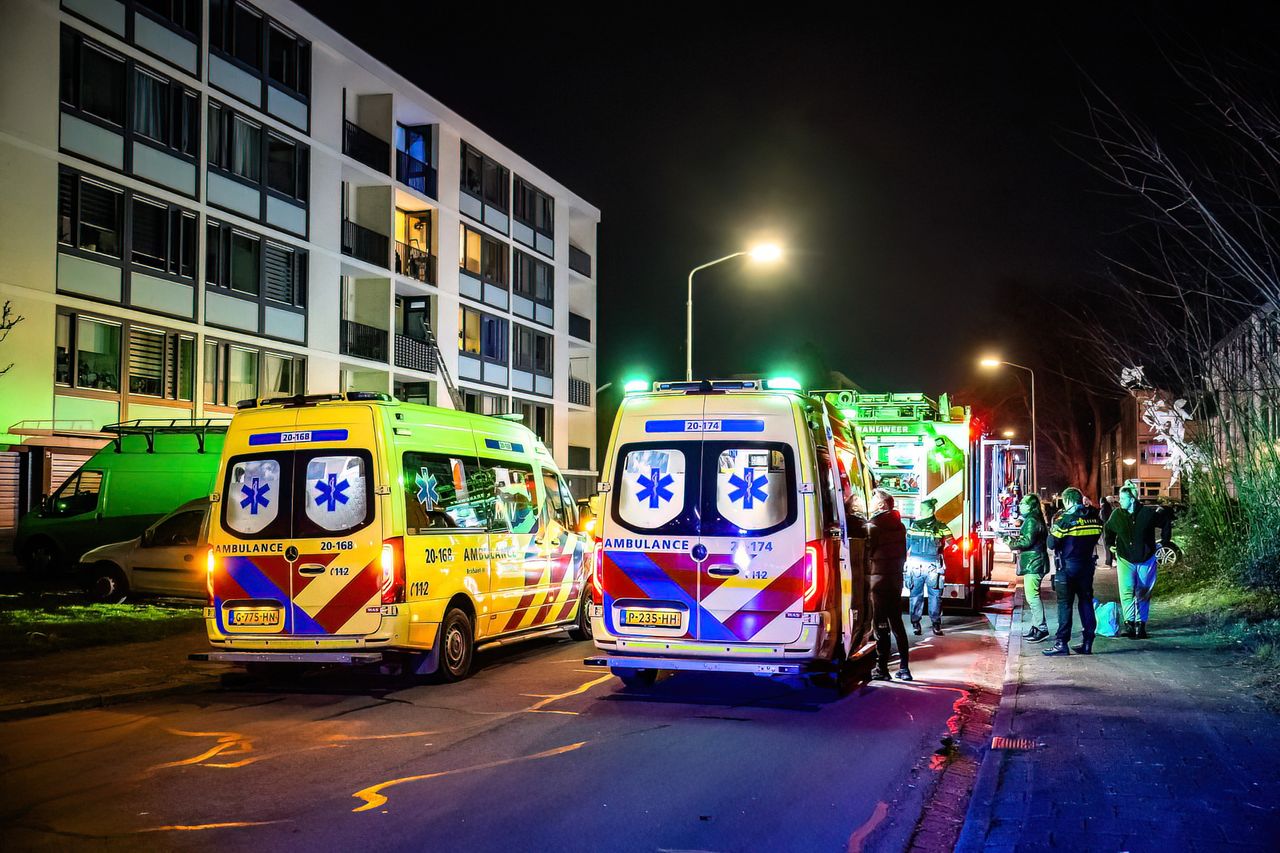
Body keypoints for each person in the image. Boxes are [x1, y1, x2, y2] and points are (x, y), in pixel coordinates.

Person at [1104, 485, 1173, 639]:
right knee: (1126, 591)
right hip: (1125, 558)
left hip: (1145, 559)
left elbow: (1165, 520)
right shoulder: (1117, 515)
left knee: (1143, 592)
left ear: (1132, 499)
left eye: (1123, 498)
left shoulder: (1147, 514)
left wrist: (1164, 542)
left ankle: (1141, 625)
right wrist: (1110, 545)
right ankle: (1129, 624)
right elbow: (1108, 530)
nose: (1120, 501)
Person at [1043, 487, 1104, 656]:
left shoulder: (1064, 520)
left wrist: (1054, 524)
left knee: (1065, 605)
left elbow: (1051, 543)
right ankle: (1087, 643)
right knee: (1086, 602)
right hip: (1087, 566)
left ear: (1068, 501)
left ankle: (1061, 643)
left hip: (1067, 568)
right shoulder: (1094, 519)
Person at [866, 488, 912, 681]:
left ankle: (882, 669)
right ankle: (904, 668)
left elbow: (868, 552)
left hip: (878, 581)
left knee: (880, 624)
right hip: (895, 580)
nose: (871, 502)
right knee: (897, 623)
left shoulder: (874, 525)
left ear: (882, 504)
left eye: (874, 499)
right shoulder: (900, 526)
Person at [1005, 494, 1050, 642]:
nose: (1020, 505)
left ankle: (1041, 628)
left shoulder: (1031, 520)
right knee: (1032, 596)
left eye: (1023, 503)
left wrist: (1007, 539)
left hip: (1034, 563)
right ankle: (1036, 626)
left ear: (1030, 506)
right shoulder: (1034, 519)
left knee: (1032, 597)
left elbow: (1026, 541)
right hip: (1035, 562)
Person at [906, 496, 953, 636]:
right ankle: (935, 625)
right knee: (933, 596)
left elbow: (907, 546)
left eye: (922, 509)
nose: (920, 511)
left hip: (919, 567)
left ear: (931, 510)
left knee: (917, 596)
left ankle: (917, 624)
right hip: (933, 567)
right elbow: (953, 545)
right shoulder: (941, 527)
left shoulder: (914, 527)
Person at [1098, 495, 1116, 566]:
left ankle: (1109, 561)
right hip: (1111, 527)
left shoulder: (1105, 507)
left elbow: (1103, 518)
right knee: (1111, 543)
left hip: (1106, 527)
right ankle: (1112, 560)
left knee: (1107, 544)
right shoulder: (1111, 507)